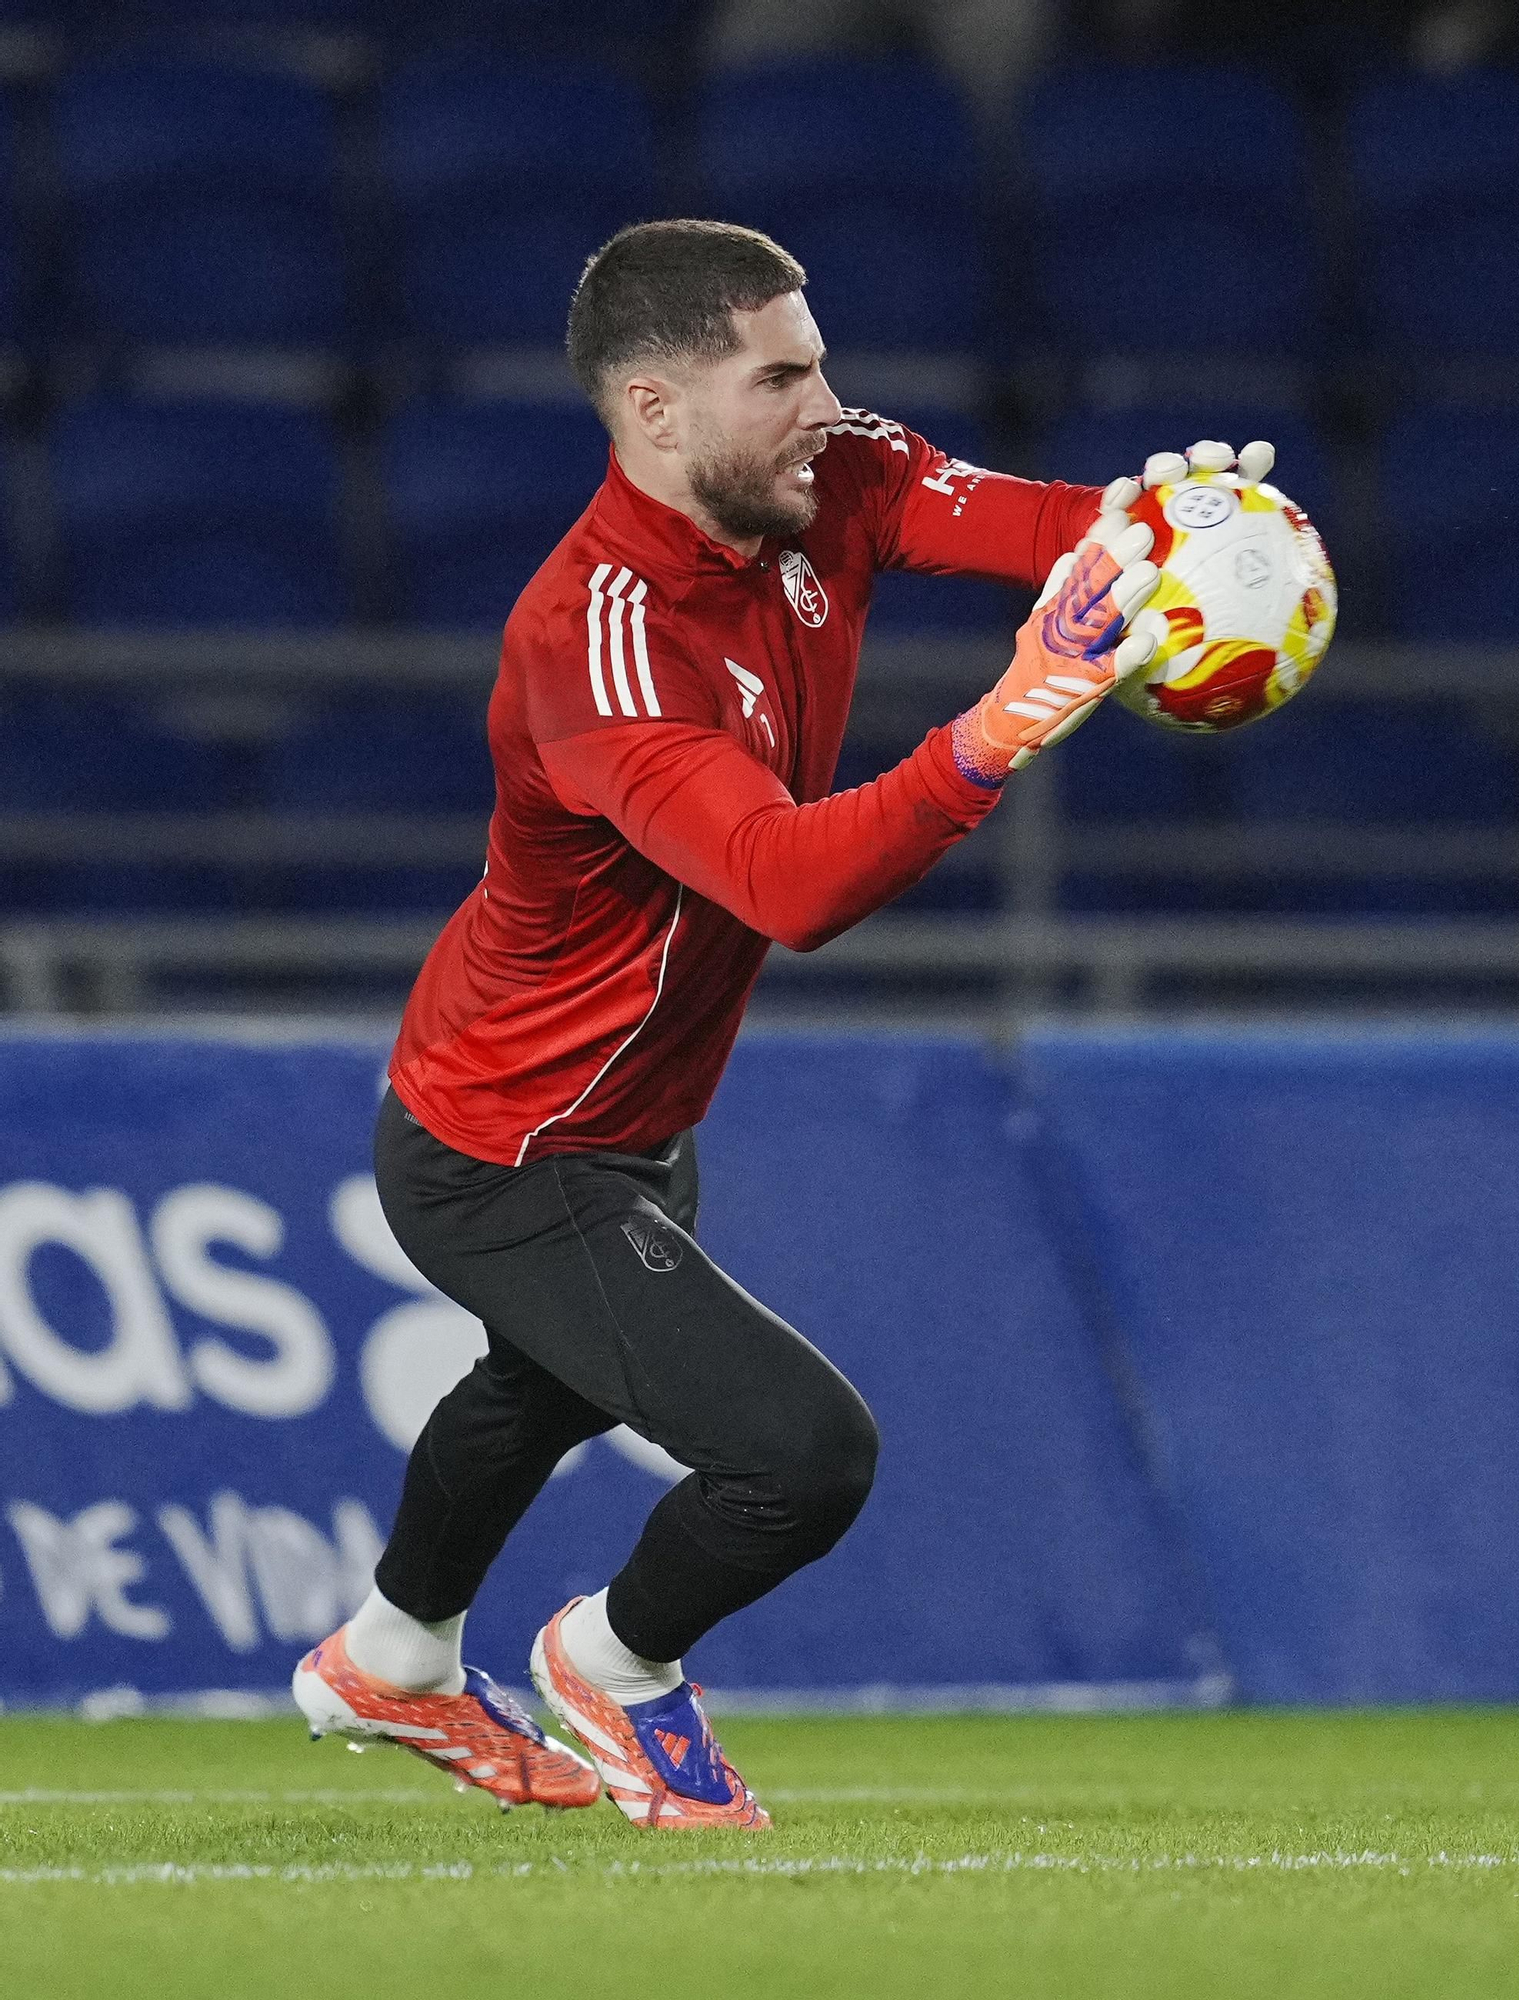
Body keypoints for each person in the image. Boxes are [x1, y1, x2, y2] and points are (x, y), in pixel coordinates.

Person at [292, 218, 1271, 1832]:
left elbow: (1047, 531)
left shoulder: (836, 477)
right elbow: (781, 884)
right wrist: (1003, 722)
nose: (832, 399)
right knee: (803, 1458)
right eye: (783, 373)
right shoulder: (594, 639)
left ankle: (392, 1656)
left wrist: (1176, 527)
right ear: (658, 411)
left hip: (628, 1120)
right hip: (507, 1144)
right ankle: (616, 1666)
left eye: (820, 357)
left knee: (543, 1386)